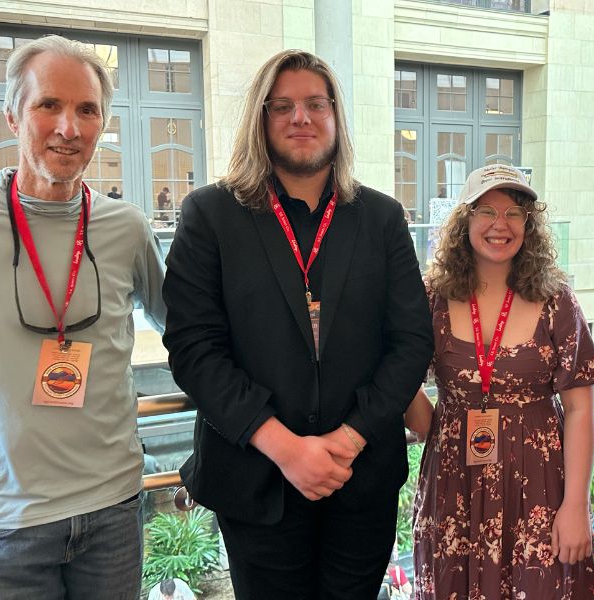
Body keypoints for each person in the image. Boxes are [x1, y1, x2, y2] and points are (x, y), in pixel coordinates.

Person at [161, 49, 433, 599]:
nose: (300, 118)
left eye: (315, 104)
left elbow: (410, 342)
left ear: (336, 117)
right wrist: (286, 448)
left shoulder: (381, 218)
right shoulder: (210, 215)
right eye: (281, 106)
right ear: (260, 120)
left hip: (360, 479)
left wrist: (350, 438)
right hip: (256, 479)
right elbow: (194, 349)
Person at [0, 35, 166, 598]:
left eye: (87, 110)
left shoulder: (126, 227)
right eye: (48, 105)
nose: (69, 128)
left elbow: (192, 328)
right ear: (11, 115)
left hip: (111, 508)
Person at [407, 164, 594, 599]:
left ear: (529, 225)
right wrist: (401, 384)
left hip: (540, 487)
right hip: (453, 485)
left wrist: (576, 506)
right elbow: (417, 410)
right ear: (465, 219)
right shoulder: (431, 299)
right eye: (486, 211)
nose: (500, 225)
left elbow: (580, 409)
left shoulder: (557, 300)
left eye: (515, 212)